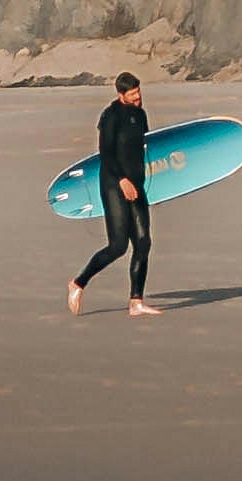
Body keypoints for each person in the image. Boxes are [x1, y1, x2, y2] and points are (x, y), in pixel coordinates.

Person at [69, 72, 160, 317]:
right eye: (132, 94)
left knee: (143, 242)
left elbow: (143, 147)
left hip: (136, 184)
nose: (138, 96)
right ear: (121, 95)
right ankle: (78, 283)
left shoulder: (140, 115)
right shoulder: (111, 117)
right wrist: (122, 181)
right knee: (118, 246)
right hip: (114, 184)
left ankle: (136, 302)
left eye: (138, 92)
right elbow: (106, 155)